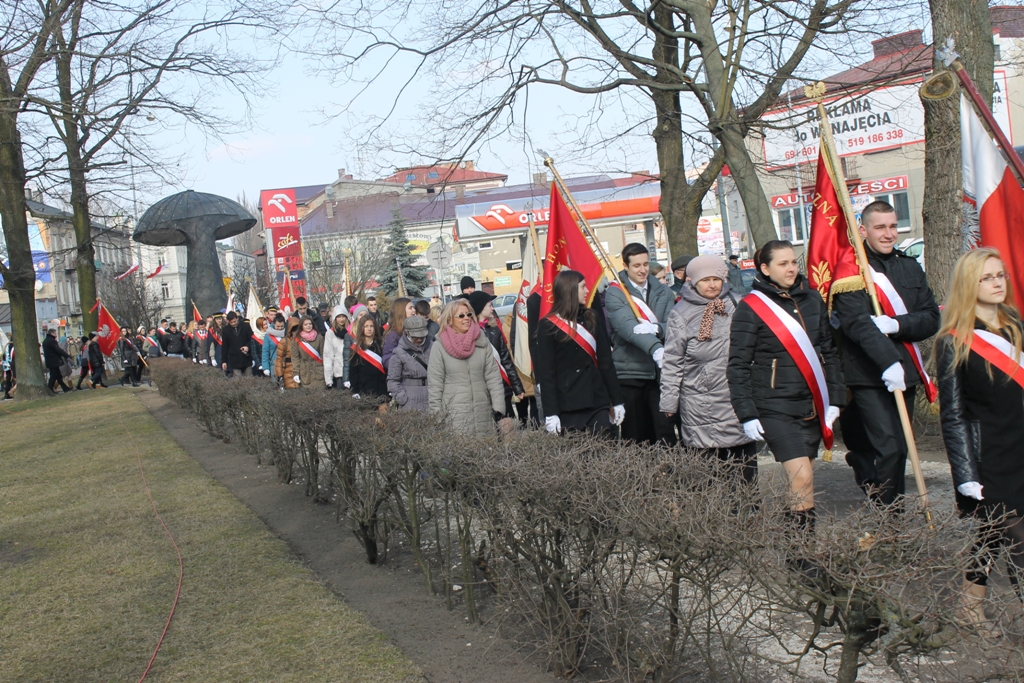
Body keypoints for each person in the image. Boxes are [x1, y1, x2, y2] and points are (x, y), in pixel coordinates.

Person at [727, 240, 844, 543]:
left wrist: (836, 398)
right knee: (800, 476)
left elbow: (829, 352)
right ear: (764, 269)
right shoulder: (751, 308)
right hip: (773, 407)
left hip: (811, 404)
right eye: (783, 264)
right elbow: (737, 365)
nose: (792, 268)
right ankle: (803, 555)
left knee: (804, 481)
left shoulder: (813, 299)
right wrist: (746, 413)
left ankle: (798, 550)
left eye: (794, 262)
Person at [936, 247, 1024, 629]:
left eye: (999, 275)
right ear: (970, 284)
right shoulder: (953, 341)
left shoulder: (1017, 325)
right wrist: (965, 473)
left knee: (991, 534)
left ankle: (969, 605)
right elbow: (953, 415)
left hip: (1022, 446)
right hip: (992, 458)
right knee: (1019, 540)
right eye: (987, 277)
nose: (996, 283)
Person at [834, 200, 940, 508]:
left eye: (893, 226)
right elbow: (857, 325)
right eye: (880, 227)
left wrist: (896, 324)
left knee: (901, 446)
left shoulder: (909, 265)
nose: (888, 233)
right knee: (890, 446)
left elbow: (931, 317)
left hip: (905, 371)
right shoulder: (851, 269)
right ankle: (889, 517)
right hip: (868, 373)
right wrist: (888, 361)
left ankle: (887, 504)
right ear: (863, 230)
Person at [660, 255, 755, 484]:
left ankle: (749, 517)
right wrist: (669, 402)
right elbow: (673, 361)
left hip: (737, 398)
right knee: (709, 476)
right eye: (705, 280)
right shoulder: (680, 313)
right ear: (692, 281)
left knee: (745, 474)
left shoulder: (737, 304)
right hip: (700, 402)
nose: (712, 285)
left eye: (716, 278)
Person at [534, 270, 624, 435]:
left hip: (597, 402)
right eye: (583, 287)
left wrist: (617, 401)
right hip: (567, 406)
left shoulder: (593, 318)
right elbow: (547, 373)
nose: (587, 291)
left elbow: (606, 363)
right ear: (570, 290)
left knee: (604, 453)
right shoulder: (548, 325)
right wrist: (551, 413)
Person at [605, 242, 677, 445]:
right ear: (626, 266)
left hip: (660, 374)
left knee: (665, 434)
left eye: (645, 264)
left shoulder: (663, 291)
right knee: (636, 436)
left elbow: (674, 323)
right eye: (637, 265)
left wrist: (658, 329)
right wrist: (656, 348)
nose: (643, 270)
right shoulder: (616, 292)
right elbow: (628, 327)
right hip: (631, 373)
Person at [428, 299, 505, 434]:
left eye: (469, 314)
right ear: (450, 320)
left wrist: (498, 407)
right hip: (454, 417)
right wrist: (437, 417)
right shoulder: (439, 346)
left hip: (484, 414)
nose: (466, 319)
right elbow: (435, 384)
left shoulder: (482, 341)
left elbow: (493, 377)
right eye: (461, 316)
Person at [469, 290, 525, 417]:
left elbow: (506, 360)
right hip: (482, 390)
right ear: (479, 307)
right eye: (489, 305)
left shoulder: (494, 330)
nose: (492, 308)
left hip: (501, 387)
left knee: (507, 427)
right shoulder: (469, 333)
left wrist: (517, 387)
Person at [387, 314, 433, 411]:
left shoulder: (433, 347)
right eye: (415, 337)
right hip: (409, 402)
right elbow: (392, 380)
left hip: (432, 398)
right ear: (407, 332)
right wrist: (402, 399)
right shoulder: (398, 352)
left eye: (422, 336)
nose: (419, 339)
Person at [349, 314, 388, 402]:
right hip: (364, 390)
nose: (369, 329)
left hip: (381, 389)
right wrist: (355, 391)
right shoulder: (356, 348)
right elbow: (353, 372)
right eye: (366, 326)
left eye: (371, 326)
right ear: (361, 328)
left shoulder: (381, 344)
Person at [290, 316, 325, 389]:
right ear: (301, 326)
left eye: (310, 324)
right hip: (305, 372)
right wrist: (296, 373)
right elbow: (295, 357)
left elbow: (323, 355)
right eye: (305, 324)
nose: (308, 326)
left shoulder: (319, 337)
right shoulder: (296, 339)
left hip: (318, 371)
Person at [382, 297, 413, 371]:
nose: (414, 310)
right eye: (410, 308)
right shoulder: (393, 334)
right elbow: (387, 359)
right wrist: (405, 368)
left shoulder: (413, 329)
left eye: (413, 307)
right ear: (401, 311)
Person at [323, 308, 351, 389]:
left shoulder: (352, 331)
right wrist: (329, 380)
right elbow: (328, 356)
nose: (341, 319)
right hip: (339, 374)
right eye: (339, 317)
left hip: (352, 371)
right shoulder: (330, 333)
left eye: (343, 316)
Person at [221, 311, 253, 377]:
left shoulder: (245, 326)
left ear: (237, 318)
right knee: (238, 381)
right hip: (234, 359)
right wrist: (224, 361)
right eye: (231, 322)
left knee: (249, 380)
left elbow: (252, 340)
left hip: (246, 358)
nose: (233, 324)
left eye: (234, 321)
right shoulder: (225, 330)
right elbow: (225, 346)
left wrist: (247, 347)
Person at [274, 318, 302, 389]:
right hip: (287, 372)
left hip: (301, 370)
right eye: (294, 329)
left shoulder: (304, 341)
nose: (296, 332)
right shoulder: (284, 341)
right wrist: (280, 376)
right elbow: (279, 359)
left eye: (297, 329)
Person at [43, 327, 72, 393]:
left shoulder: (46, 341)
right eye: (55, 333)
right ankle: (49, 389)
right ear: (52, 333)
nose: (56, 334)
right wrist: (66, 355)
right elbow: (58, 350)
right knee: (53, 376)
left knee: (58, 376)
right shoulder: (52, 341)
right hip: (54, 361)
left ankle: (65, 388)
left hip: (50, 361)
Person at [262, 314, 286, 380]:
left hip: (286, 364)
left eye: (282, 326)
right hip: (274, 365)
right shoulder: (268, 336)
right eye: (278, 326)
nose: (280, 328)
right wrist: (266, 367)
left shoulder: (287, 334)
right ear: (273, 324)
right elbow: (265, 352)